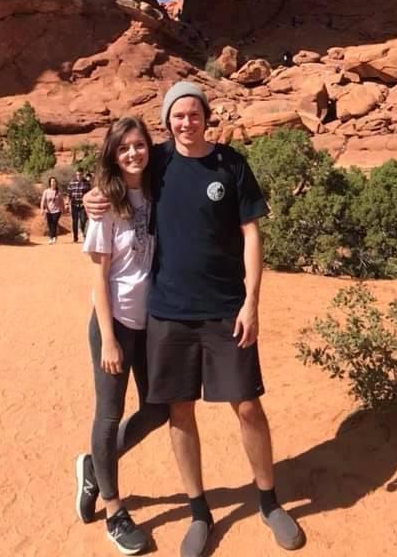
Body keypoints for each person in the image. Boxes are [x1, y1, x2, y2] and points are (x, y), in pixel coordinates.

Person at [84, 82, 305, 557]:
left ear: (206, 116)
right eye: (177, 116)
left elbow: (251, 234)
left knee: (247, 406)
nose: (186, 122)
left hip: (226, 309)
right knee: (179, 413)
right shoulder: (157, 161)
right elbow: (118, 174)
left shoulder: (231, 164)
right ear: (167, 121)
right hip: (167, 314)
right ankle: (198, 511)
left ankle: (268, 501)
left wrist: (251, 303)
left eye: (193, 114)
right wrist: (93, 199)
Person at [76, 116, 169, 555]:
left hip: (152, 323)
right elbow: (99, 277)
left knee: (157, 409)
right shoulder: (107, 204)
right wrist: (109, 338)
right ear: (113, 154)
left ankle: (94, 466)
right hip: (114, 324)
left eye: (139, 145)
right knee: (109, 413)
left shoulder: (157, 191)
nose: (133, 153)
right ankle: (113, 509)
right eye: (124, 147)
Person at [67, 168, 90, 243]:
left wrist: (87, 203)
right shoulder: (72, 183)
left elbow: (89, 194)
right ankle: (75, 237)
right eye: (77, 175)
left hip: (83, 205)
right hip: (74, 204)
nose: (78, 176)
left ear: (82, 174)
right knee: (75, 221)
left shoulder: (86, 183)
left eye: (80, 175)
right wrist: (67, 204)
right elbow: (69, 194)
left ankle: (84, 234)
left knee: (83, 221)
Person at [39, 176, 64, 244]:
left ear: (56, 183)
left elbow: (62, 201)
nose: (53, 182)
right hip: (48, 210)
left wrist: (63, 209)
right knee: (50, 224)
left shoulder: (58, 192)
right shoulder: (46, 191)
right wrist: (42, 209)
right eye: (52, 181)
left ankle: (51, 237)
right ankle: (53, 236)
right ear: (50, 183)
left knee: (54, 222)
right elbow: (43, 201)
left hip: (57, 210)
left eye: (54, 181)